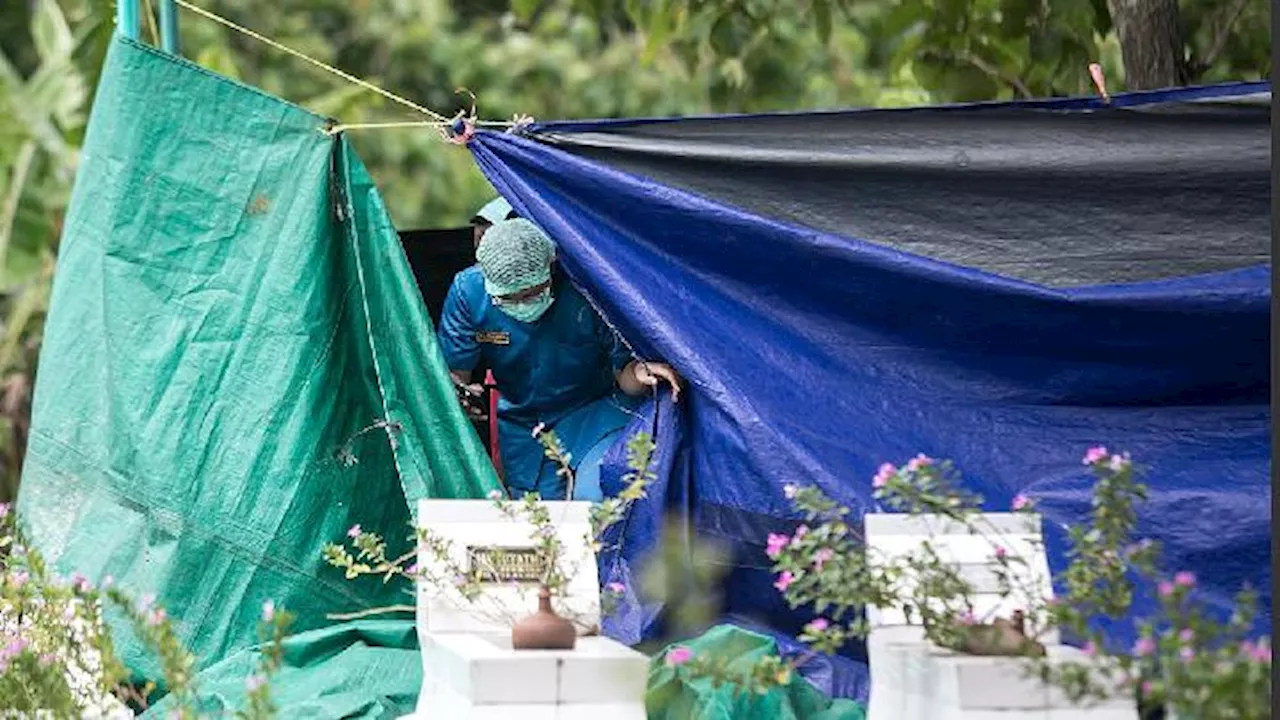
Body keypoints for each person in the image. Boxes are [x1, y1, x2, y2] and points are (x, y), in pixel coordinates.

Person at [438, 218, 681, 501]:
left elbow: (624, 374)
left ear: (552, 266)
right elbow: (455, 376)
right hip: (523, 429)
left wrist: (639, 374)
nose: (522, 305)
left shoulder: (585, 288)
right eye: (508, 299)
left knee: (596, 498)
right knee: (538, 524)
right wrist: (461, 396)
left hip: (595, 416)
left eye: (531, 294)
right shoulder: (468, 292)